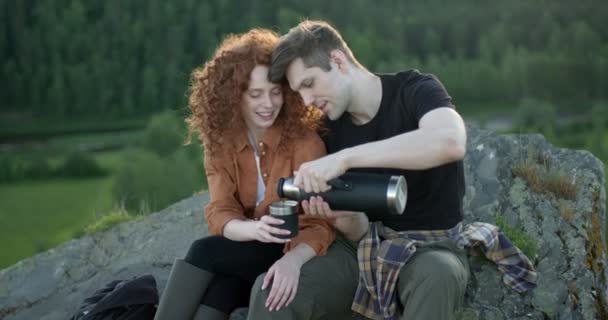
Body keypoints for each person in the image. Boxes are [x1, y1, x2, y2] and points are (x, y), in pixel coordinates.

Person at [247, 20, 537, 320]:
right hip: (358, 250)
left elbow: (450, 141)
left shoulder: (415, 90)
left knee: (439, 275)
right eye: (299, 92)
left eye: (309, 84)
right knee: (271, 293)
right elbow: (357, 228)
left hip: (429, 248)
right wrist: (341, 218)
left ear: (338, 60)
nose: (307, 101)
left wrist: (345, 159)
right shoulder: (327, 130)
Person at [153, 28, 337, 320]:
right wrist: (253, 230)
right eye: (256, 94)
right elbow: (220, 211)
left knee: (203, 251)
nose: (268, 103)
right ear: (233, 96)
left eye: (275, 92)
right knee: (219, 291)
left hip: (289, 249)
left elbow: (319, 224)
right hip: (247, 245)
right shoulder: (221, 142)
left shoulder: (305, 143)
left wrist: (292, 259)